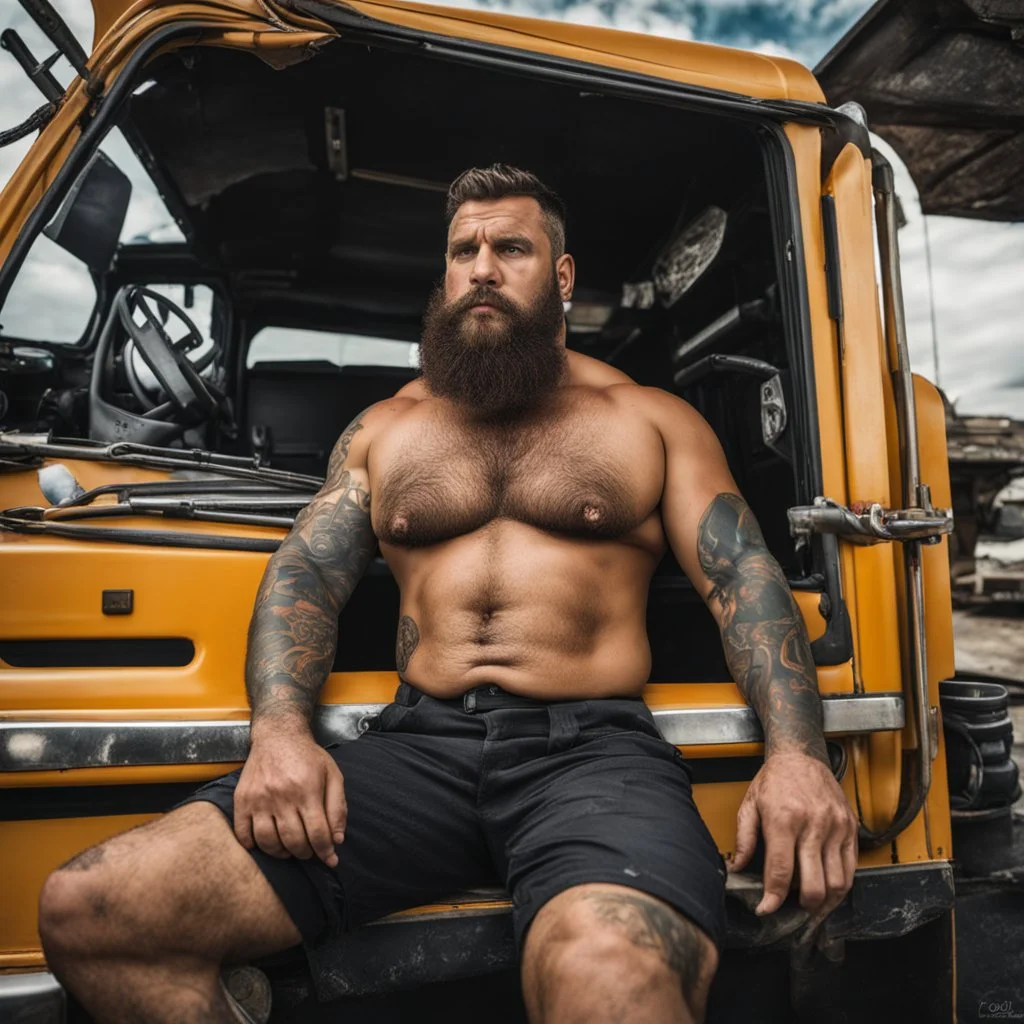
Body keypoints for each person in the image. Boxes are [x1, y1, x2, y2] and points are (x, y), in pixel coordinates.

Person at [38, 164, 857, 1024]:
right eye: (464, 250)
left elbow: (744, 580)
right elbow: (307, 573)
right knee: (96, 912)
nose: (483, 268)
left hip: (590, 758)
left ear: (562, 275)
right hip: (416, 752)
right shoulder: (390, 427)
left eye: (511, 247)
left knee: (610, 979)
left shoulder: (646, 420)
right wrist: (278, 734)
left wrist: (795, 755)